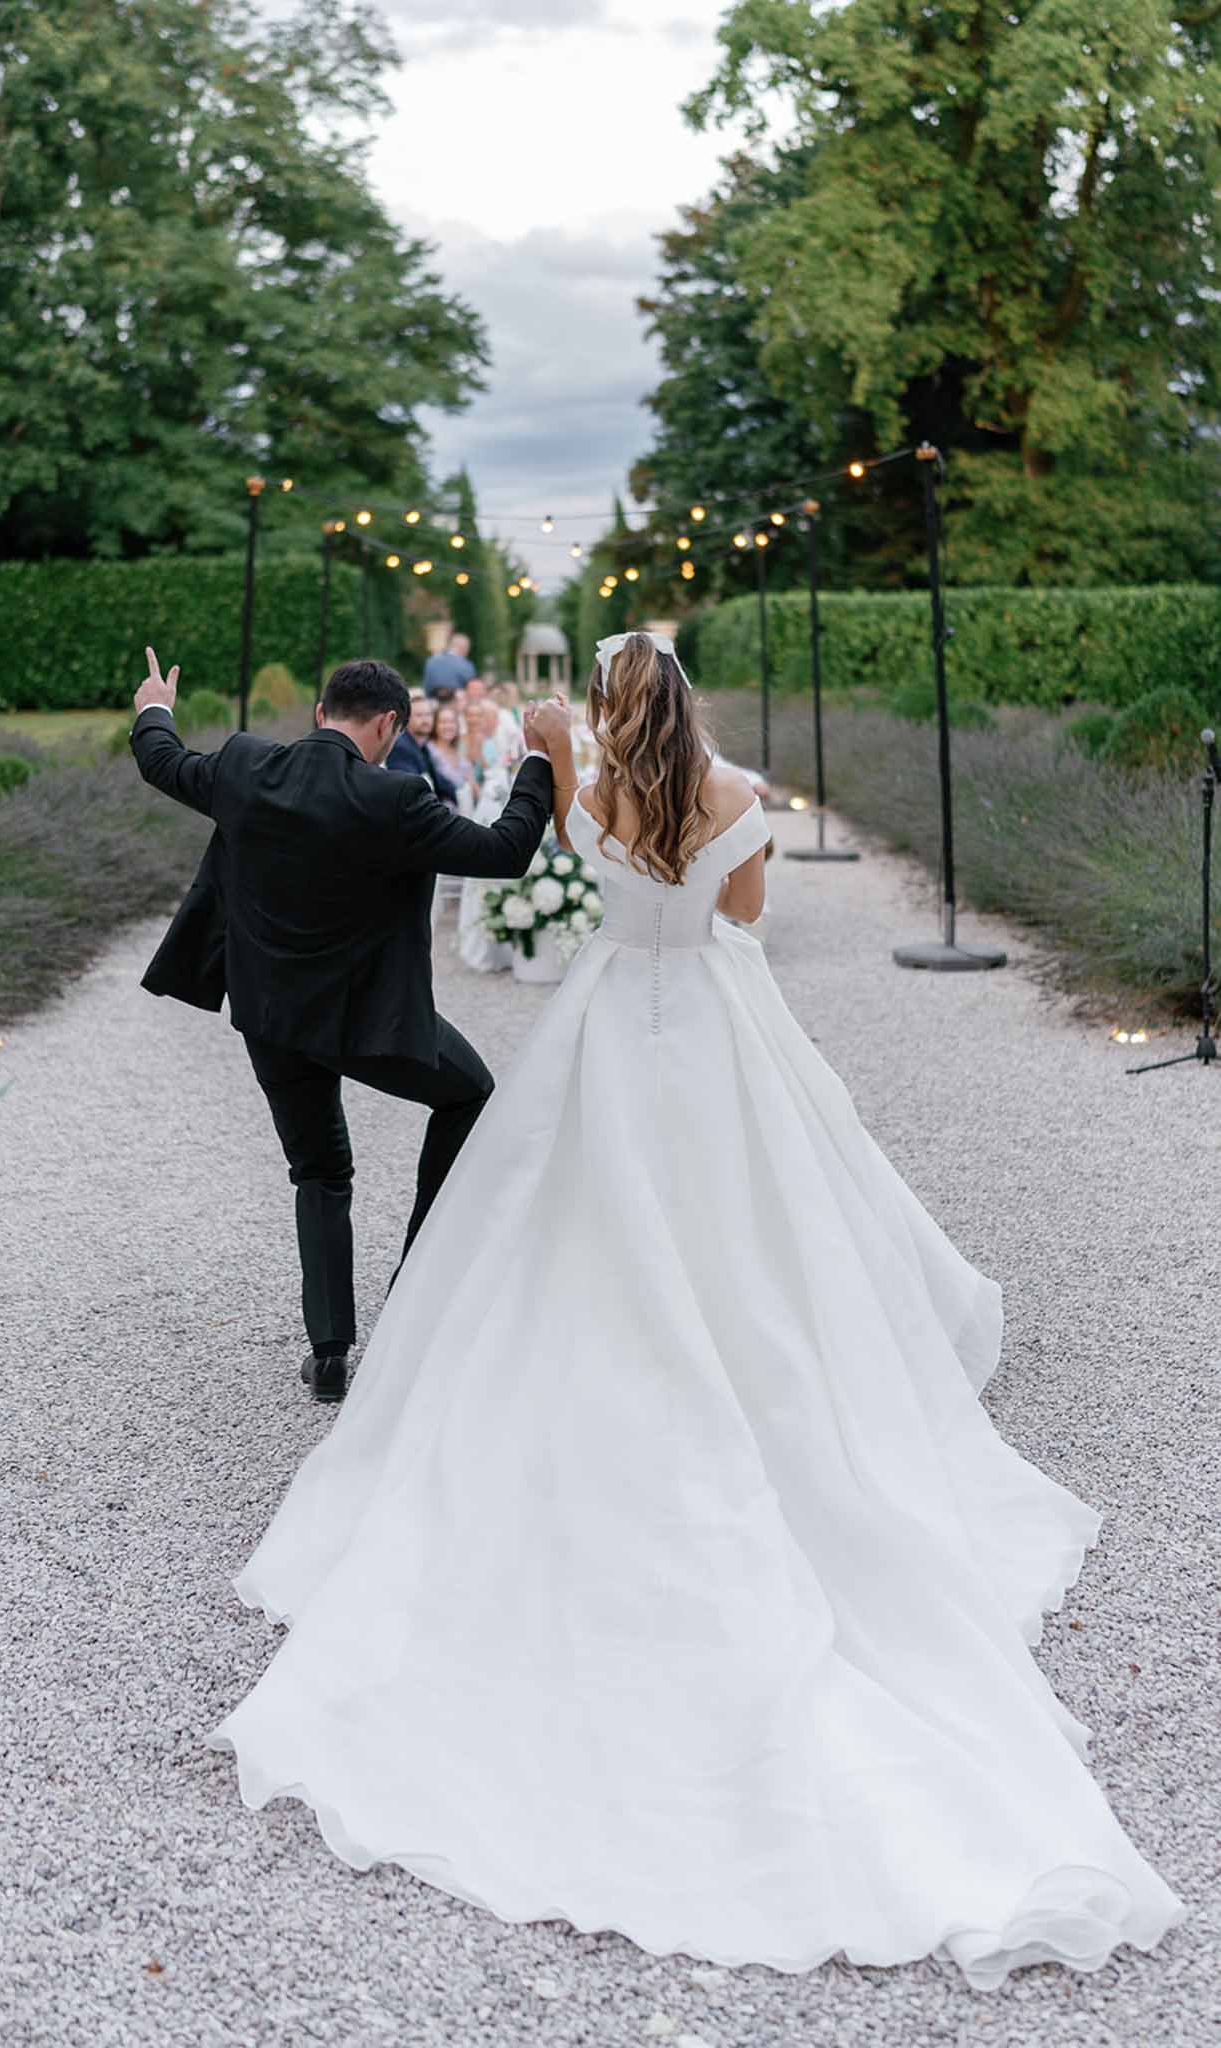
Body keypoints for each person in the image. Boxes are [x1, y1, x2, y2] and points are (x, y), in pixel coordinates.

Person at [208, 629, 1186, 1988]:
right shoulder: (735, 804)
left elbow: (555, 873)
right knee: (770, 1222)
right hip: (710, 1031)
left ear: (610, 709)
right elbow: (740, 927)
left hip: (610, 1030)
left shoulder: (591, 791)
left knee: (554, 1225)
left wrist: (558, 764)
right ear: (689, 702)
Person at [129, 650, 555, 1401]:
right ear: (389, 724)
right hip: (365, 1023)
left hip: (270, 1017)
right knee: (468, 1093)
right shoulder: (396, 798)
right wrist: (538, 763)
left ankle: (329, 1356)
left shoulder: (245, 766)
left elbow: (161, 761)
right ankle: (412, 1292)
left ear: (322, 712)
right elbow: (505, 851)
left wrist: (154, 706)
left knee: (319, 1171)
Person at [387, 690, 458, 805]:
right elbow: (413, 792)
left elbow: (439, 781)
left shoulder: (422, 746)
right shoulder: (401, 747)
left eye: (428, 715)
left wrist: (455, 795)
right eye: (419, 715)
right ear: (407, 719)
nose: (426, 720)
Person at [422, 631, 476, 698]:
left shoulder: (431, 660)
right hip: (456, 700)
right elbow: (471, 686)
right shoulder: (466, 664)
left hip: (433, 699)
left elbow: (426, 685)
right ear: (464, 648)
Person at [427, 700, 465, 793]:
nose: (448, 726)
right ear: (435, 725)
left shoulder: (458, 749)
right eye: (443, 722)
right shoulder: (429, 751)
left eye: (452, 722)